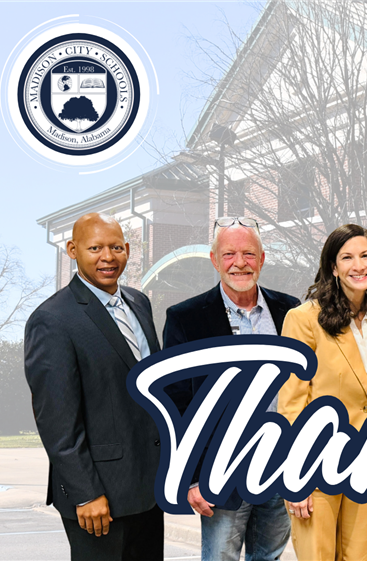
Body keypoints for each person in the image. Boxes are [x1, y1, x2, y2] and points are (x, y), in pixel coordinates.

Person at [24, 212, 163, 560]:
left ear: (128, 249)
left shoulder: (139, 303)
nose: (108, 257)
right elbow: (56, 421)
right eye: (95, 247)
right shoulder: (52, 320)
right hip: (98, 497)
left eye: (116, 247)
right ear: (72, 250)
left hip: (148, 491)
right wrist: (85, 493)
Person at [164, 217, 299, 561]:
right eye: (229, 254)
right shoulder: (187, 318)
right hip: (220, 469)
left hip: (279, 465)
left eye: (249, 254)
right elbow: (178, 401)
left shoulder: (291, 311)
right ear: (214, 260)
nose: (240, 263)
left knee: (269, 556)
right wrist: (192, 477)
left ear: (263, 258)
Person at [278, 224, 367, 560]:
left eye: (365, 256)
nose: (358, 265)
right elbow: (291, 404)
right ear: (333, 266)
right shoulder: (303, 319)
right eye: (347, 257)